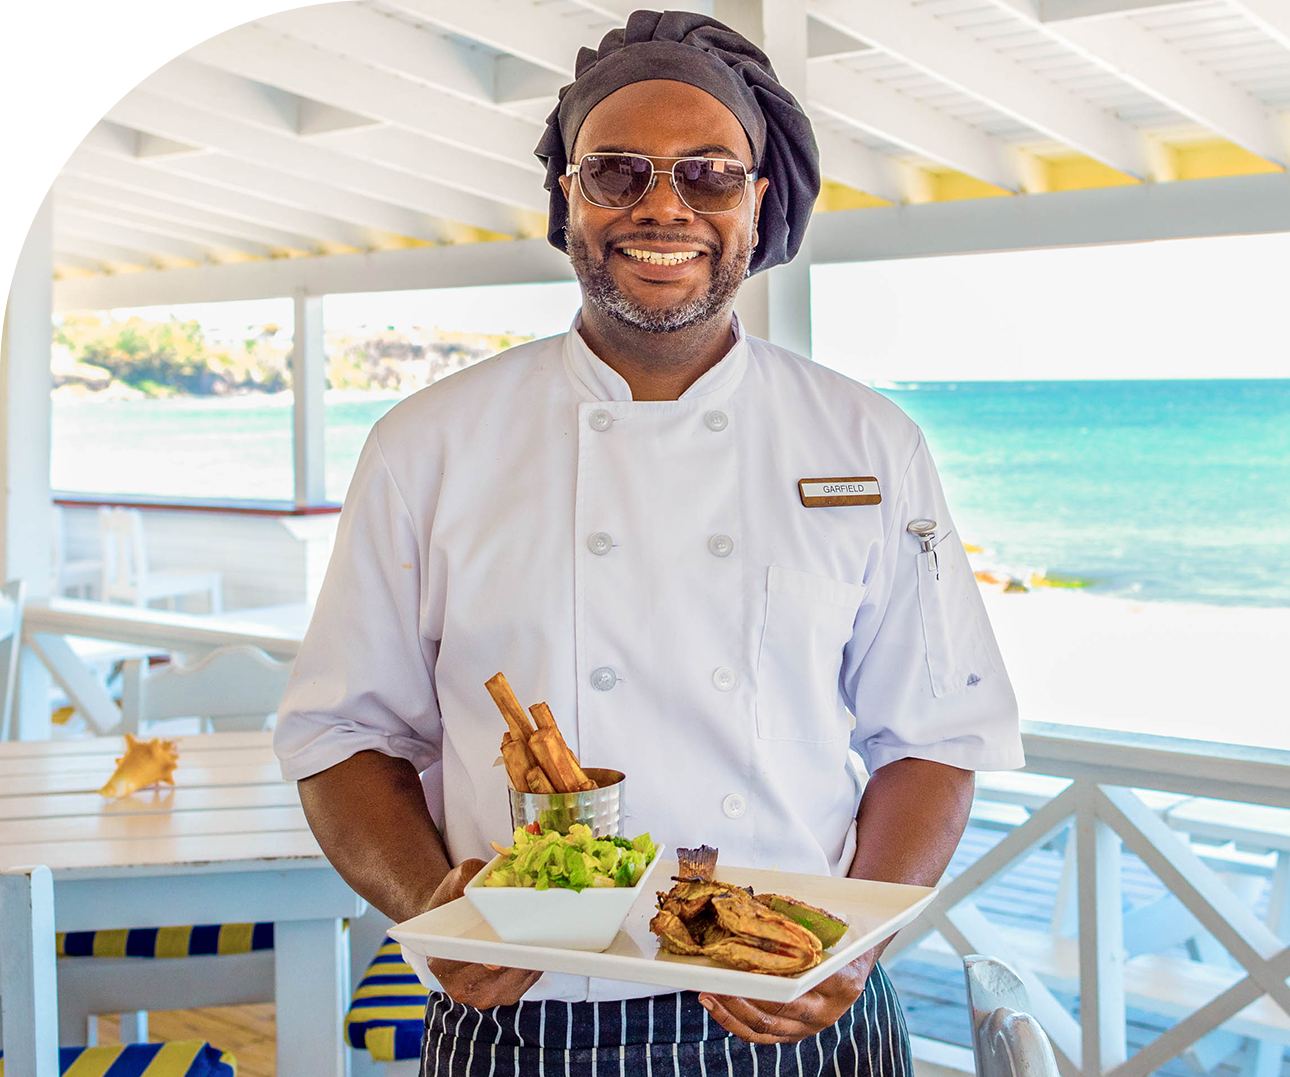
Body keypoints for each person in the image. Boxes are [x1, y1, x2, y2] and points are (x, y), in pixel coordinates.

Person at [274, 10, 1024, 1076]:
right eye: (616, 172)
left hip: (792, 1004)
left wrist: (857, 946)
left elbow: (935, 738)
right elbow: (342, 736)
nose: (662, 206)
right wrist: (428, 904)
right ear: (567, 202)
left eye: (709, 174)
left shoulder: (868, 441)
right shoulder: (428, 445)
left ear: (760, 206)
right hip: (522, 1015)